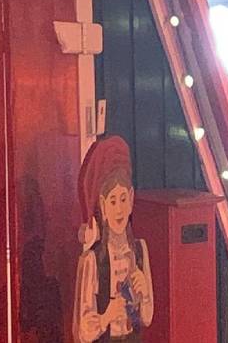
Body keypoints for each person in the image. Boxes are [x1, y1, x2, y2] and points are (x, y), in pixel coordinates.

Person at [76, 135, 154, 342]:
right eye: (112, 201)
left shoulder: (139, 250)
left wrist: (144, 292)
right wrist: (107, 316)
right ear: (103, 206)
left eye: (123, 199)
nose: (119, 209)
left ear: (131, 199)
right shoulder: (92, 260)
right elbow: (83, 332)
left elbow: (146, 318)